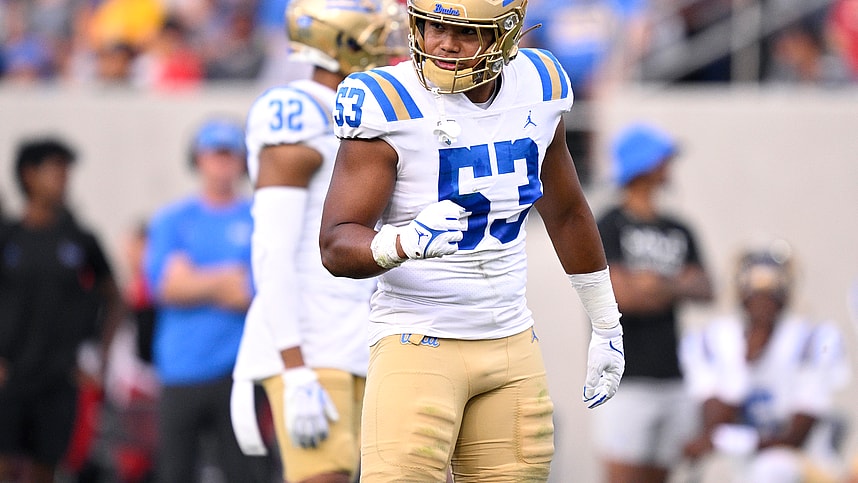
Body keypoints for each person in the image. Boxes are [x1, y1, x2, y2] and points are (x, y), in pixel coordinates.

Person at [317, 0, 626, 480]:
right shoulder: (387, 98)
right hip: (416, 340)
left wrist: (607, 324)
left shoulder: (539, 83)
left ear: (504, 33)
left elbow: (565, 211)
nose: (443, 42)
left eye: (464, 31)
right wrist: (401, 243)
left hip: (511, 342)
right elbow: (336, 243)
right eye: (431, 26)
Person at [229, 1, 408, 483]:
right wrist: (295, 369)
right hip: (312, 341)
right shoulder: (297, 112)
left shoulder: (372, 108)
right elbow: (272, 250)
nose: (390, 41)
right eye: (376, 32)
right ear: (340, 39)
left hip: (366, 335)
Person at [143, 118, 270, 483]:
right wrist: (223, 278)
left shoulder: (258, 216)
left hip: (240, 371)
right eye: (214, 153)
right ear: (198, 159)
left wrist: (193, 278)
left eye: (230, 154)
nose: (222, 162)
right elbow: (164, 288)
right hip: (180, 368)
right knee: (175, 472)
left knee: (247, 472)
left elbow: (255, 293)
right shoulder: (172, 218)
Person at [592, 122, 714, 483]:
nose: (669, 167)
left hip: (672, 377)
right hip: (623, 378)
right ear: (644, 166)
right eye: (663, 159)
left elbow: (706, 288)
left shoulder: (679, 228)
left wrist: (653, 283)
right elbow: (621, 296)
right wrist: (676, 283)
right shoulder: (609, 225)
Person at [0, 137, 124, 483]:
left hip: (58, 378)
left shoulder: (79, 239)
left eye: (66, 172)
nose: (63, 179)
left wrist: (100, 356)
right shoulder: (8, 237)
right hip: (10, 376)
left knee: (46, 468)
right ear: (29, 175)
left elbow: (115, 296)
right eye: (55, 171)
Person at [680, 241, 851, 482]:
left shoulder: (814, 340)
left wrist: (731, 441)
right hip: (742, 462)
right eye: (755, 292)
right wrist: (744, 361)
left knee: (772, 468)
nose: (762, 301)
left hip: (804, 462)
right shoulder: (713, 339)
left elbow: (795, 438)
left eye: (770, 293)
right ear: (740, 291)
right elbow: (714, 423)